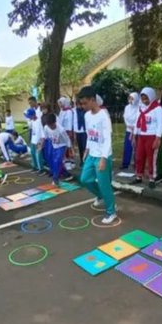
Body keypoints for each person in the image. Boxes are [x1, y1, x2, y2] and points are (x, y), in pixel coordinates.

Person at [78, 86, 117, 225]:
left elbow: (107, 138)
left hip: (102, 155)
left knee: (104, 184)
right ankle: (100, 196)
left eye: (84, 103)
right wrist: (86, 150)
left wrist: (103, 158)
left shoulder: (103, 116)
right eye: (81, 103)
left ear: (93, 100)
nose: (82, 106)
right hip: (92, 153)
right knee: (85, 179)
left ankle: (111, 211)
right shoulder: (87, 115)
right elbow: (89, 134)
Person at [132, 87, 162, 189]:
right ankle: (139, 176)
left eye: (146, 98)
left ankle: (152, 178)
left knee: (151, 158)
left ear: (151, 97)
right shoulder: (141, 108)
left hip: (152, 136)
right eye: (143, 99)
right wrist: (134, 135)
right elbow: (137, 123)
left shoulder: (158, 109)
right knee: (139, 157)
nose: (144, 101)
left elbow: (160, 124)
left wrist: (158, 138)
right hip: (142, 136)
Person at [44, 113, 73, 185]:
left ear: (55, 122)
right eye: (49, 125)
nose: (50, 127)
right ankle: (66, 174)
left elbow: (67, 139)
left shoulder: (61, 130)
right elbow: (46, 137)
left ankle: (55, 179)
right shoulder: (46, 127)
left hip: (61, 145)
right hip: (53, 144)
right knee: (51, 160)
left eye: (52, 125)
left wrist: (70, 149)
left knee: (57, 161)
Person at [121, 92, 140, 170]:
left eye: (132, 98)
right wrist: (128, 125)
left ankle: (136, 164)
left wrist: (134, 127)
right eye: (129, 98)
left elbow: (138, 118)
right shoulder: (127, 107)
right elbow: (125, 116)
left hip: (137, 130)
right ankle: (125, 163)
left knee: (137, 148)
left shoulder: (139, 108)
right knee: (127, 147)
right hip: (129, 129)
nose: (130, 100)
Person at [26, 108, 46, 175]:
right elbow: (32, 131)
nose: (29, 118)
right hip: (33, 140)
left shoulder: (39, 121)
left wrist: (41, 141)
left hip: (38, 140)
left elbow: (42, 132)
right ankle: (35, 167)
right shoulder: (32, 121)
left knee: (38, 155)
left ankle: (41, 169)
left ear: (33, 115)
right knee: (32, 153)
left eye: (30, 116)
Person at [58, 96, 75, 165]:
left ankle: (71, 161)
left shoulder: (69, 111)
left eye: (61, 103)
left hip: (68, 131)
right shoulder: (62, 111)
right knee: (63, 145)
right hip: (62, 131)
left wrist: (70, 131)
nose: (60, 105)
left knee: (69, 145)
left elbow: (70, 122)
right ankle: (66, 159)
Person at [73, 99, 87, 167]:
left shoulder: (86, 111)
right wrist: (75, 133)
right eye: (77, 105)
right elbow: (75, 121)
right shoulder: (75, 111)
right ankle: (81, 160)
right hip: (78, 131)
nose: (79, 106)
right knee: (80, 147)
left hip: (85, 131)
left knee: (85, 146)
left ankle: (86, 160)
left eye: (80, 105)